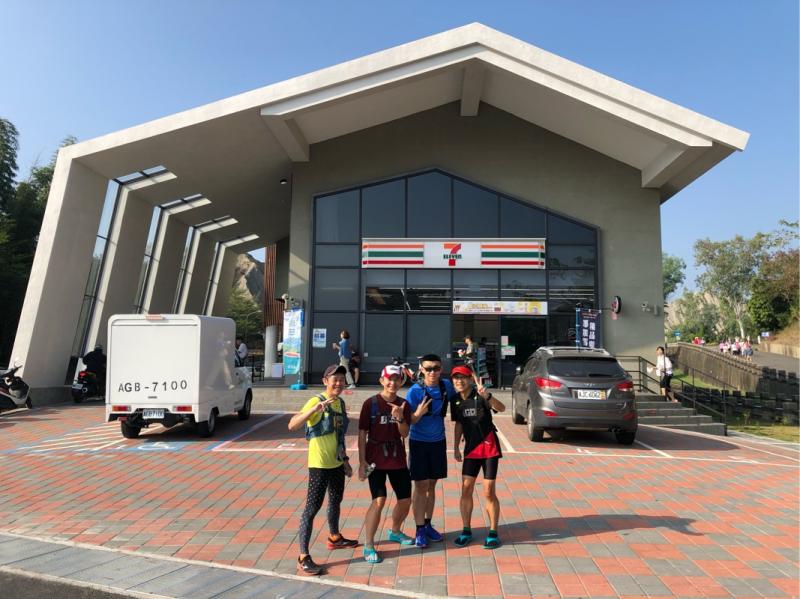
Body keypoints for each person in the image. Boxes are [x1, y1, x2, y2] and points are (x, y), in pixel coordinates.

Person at [288, 364, 357, 576]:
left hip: (336, 463)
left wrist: (345, 460)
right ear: (325, 381)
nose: (338, 383)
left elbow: (339, 435)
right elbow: (292, 425)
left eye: (342, 380)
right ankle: (303, 556)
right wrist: (313, 411)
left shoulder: (340, 403)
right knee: (311, 509)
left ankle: (334, 537)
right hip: (319, 465)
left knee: (336, 501)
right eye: (334, 379)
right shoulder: (316, 400)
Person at [357, 364, 415, 563]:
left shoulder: (404, 404)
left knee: (405, 500)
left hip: (397, 458)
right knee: (379, 500)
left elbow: (405, 434)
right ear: (382, 380)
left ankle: (395, 531)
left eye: (397, 379)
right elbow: (362, 433)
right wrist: (362, 461)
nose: (393, 383)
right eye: (389, 379)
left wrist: (399, 418)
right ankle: (369, 544)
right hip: (375, 459)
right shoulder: (370, 403)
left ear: (401, 382)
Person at [450, 365, 505, 549]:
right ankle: (466, 531)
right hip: (471, 450)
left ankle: (493, 533)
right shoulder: (455, 400)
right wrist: (455, 447)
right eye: (456, 378)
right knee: (466, 489)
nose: (459, 381)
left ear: (470, 380)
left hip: (489, 448)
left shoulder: (481, 396)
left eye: (463, 377)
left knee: (488, 491)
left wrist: (488, 396)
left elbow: (502, 408)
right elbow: (459, 424)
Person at [405, 353, 455, 548]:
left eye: (436, 368)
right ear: (421, 370)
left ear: (441, 369)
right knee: (420, 486)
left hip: (438, 442)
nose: (432, 372)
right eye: (428, 369)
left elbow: (464, 395)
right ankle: (419, 529)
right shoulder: (415, 391)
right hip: (418, 443)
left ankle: (427, 525)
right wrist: (417, 414)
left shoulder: (446, 386)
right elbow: (408, 421)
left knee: (432, 485)